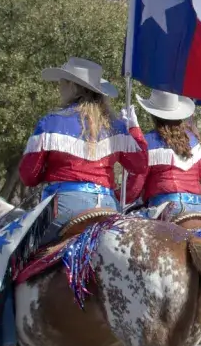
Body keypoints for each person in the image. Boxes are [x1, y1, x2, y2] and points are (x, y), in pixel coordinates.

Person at [19, 58, 148, 234]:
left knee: (25, 255)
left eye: (62, 83)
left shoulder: (51, 122)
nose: (59, 87)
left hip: (64, 207)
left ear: (73, 87)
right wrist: (134, 129)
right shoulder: (117, 127)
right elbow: (140, 164)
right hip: (108, 206)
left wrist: (48, 173)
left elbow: (28, 176)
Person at [135, 90, 201, 219]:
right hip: (198, 207)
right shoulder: (195, 141)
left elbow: (137, 182)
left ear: (153, 115)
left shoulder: (147, 142)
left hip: (165, 206)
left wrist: (122, 196)